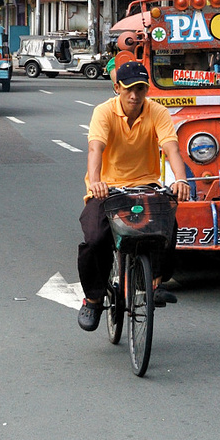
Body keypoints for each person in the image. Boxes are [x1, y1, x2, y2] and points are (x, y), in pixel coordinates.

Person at [77, 61, 191, 332]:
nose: (134, 96)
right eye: (129, 89)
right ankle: (93, 299)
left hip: (145, 184)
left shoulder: (157, 112)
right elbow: (96, 148)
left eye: (140, 89)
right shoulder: (103, 112)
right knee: (95, 238)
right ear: (118, 88)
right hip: (108, 187)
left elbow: (172, 149)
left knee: (167, 224)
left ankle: (155, 281)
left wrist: (181, 179)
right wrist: (96, 182)